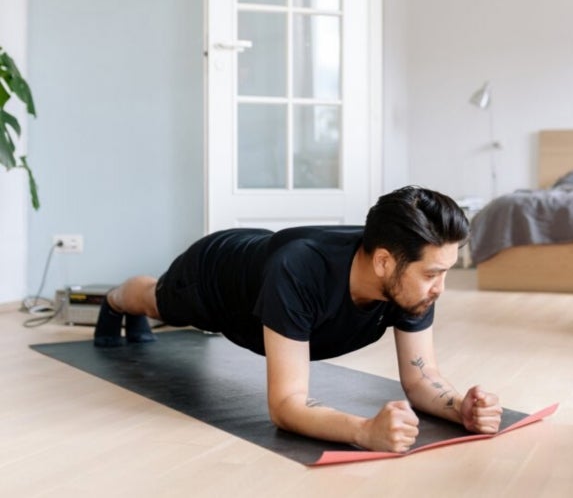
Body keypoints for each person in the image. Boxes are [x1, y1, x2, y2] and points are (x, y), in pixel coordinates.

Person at [94, 186, 503, 453]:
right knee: (155, 302)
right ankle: (113, 300)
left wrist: (458, 408)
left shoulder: (408, 277)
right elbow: (285, 406)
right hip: (211, 276)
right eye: (433, 274)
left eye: (445, 272)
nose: (440, 288)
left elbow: (420, 376)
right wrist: (365, 431)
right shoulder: (301, 270)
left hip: (263, 260)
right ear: (383, 262)